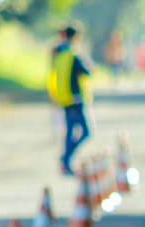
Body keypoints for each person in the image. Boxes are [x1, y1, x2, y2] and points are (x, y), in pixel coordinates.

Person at [48, 24, 91, 175]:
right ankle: (66, 158)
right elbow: (86, 71)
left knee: (69, 131)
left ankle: (66, 161)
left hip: (63, 98)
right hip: (76, 98)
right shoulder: (73, 54)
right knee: (85, 131)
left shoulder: (57, 53)